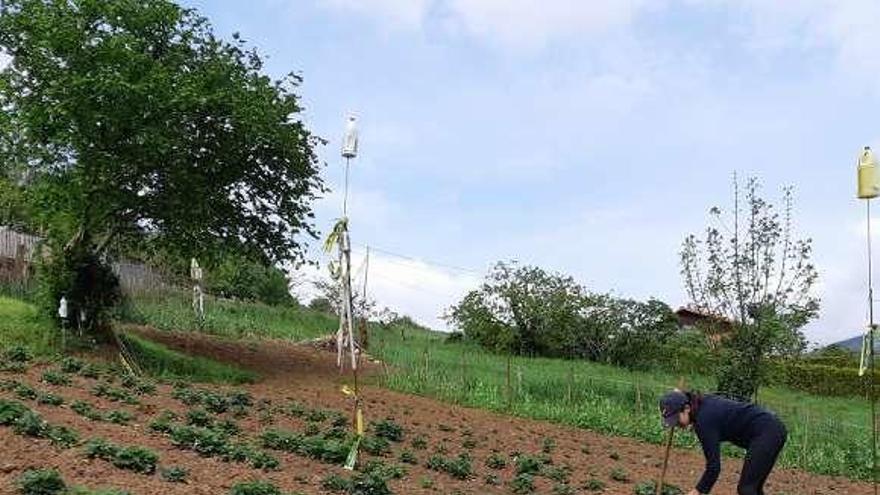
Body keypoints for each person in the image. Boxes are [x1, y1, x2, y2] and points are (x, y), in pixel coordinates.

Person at [658, 389, 787, 495]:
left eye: (676, 419)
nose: (676, 424)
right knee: (754, 488)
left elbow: (714, 468)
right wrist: (678, 394)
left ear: (686, 408)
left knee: (746, 489)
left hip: (767, 432)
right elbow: (684, 396)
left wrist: (697, 491)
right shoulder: (698, 404)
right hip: (772, 428)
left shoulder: (704, 422)